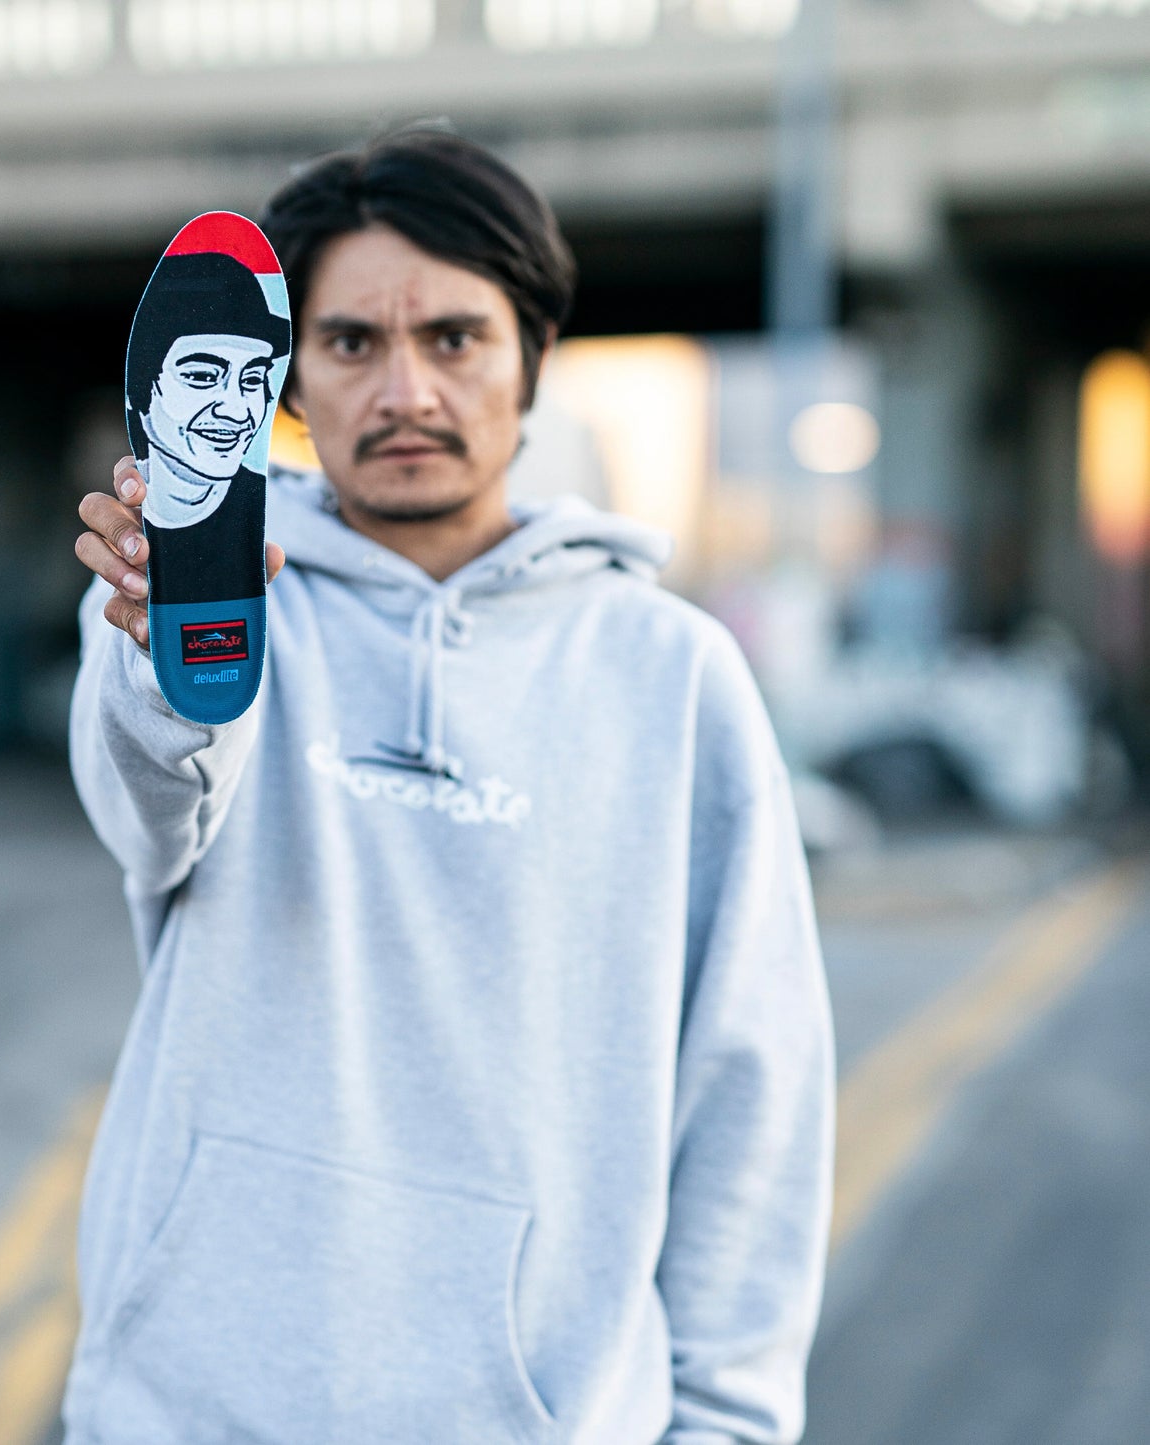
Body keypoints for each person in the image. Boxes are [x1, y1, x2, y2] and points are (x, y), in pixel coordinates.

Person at [68, 127, 834, 1445]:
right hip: (191, 1408)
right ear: (288, 375)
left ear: (532, 355)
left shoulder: (671, 673)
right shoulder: (193, 606)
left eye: (454, 338)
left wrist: (727, 1426)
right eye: (350, 341)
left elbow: (750, 1083)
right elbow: (147, 816)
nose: (404, 389)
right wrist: (164, 667)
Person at [126, 250, 291, 602]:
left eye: (252, 379)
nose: (236, 410)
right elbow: (110, 619)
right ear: (142, 390)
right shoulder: (133, 542)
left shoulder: (276, 528)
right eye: (202, 376)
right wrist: (136, 617)